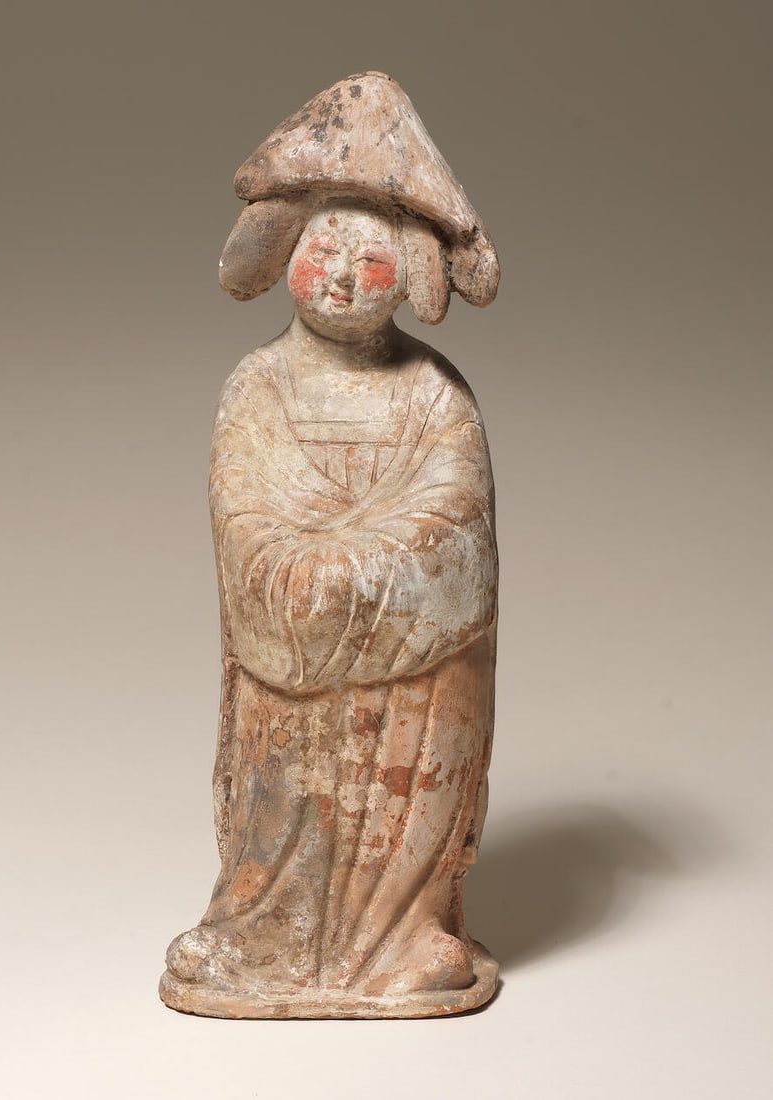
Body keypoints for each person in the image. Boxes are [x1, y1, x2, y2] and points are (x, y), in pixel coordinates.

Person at [160, 73, 500, 1018]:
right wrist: (304, 575)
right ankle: (256, 931)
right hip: (290, 645)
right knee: (283, 785)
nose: (342, 276)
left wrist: (343, 566)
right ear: (285, 256)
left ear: (413, 272)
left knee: (413, 785)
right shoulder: (257, 386)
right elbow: (245, 520)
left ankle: (412, 934)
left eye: (370, 257)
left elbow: (454, 529)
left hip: (417, 679)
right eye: (322, 251)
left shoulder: (434, 394)